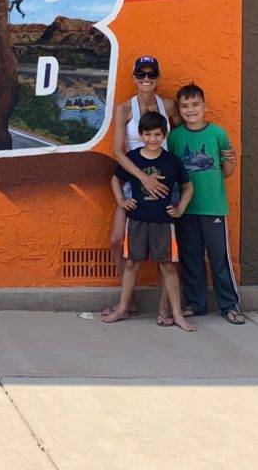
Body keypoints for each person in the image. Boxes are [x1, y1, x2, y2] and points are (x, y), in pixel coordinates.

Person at [104, 55, 180, 323]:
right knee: (117, 240)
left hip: (163, 184)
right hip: (133, 181)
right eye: (141, 75)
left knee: (165, 250)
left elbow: (182, 132)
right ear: (134, 78)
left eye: (151, 74)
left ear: (158, 78)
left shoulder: (168, 105)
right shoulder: (124, 109)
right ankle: (128, 300)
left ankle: (164, 307)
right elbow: (117, 150)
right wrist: (142, 178)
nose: (146, 79)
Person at [104, 110, 195, 331]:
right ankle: (123, 307)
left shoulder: (172, 161)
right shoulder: (133, 158)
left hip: (163, 222)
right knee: (131, 264)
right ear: (140, 134)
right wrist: (121, 200)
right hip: (136, 221)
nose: (152, 139)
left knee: (168, 266)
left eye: (157, 135)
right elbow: (116, 180)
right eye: (148, 134)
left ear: (164, 135)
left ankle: (176, 314)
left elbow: (188, 187)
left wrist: (180, 208)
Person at [168, 83, 243, 324]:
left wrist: (230, 160)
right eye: (185, 106)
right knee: (191, 257)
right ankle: (195, 304)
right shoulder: (174, 137)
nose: (191, 110)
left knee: (219, 257)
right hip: (186, 208)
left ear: (204, 106)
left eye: (195, 104)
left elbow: (227, 171)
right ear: (179, 109)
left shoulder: (218, 134)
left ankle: (230, 305)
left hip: (213, 206)